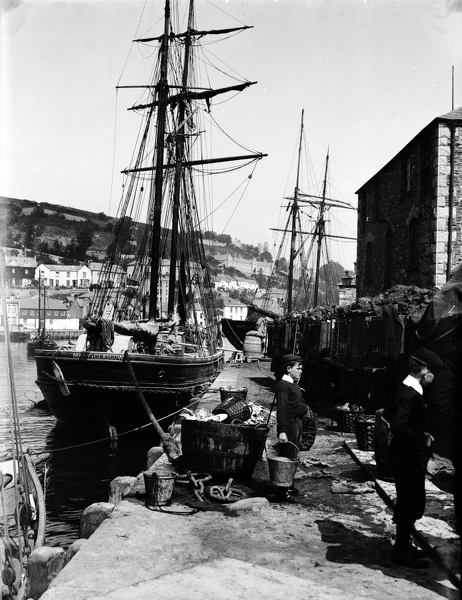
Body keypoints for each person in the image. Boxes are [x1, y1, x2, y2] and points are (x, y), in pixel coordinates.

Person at [385, 348, 443, 568]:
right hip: (408, 458)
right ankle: (400, 551)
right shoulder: (412, 395)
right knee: (410, 503)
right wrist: (421, 437)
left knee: (409, 501)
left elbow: (387, 415)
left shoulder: (402, 388)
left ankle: (404, 545)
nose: (434, 378)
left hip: (402, 456)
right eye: (433, 373)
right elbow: (399, 425)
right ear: (425, 370)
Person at [274, 354, 307, 503]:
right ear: (288, 369)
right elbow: (281, 410)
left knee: (294, 455)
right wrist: (282, 431)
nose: (301, 371)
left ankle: (290, 485)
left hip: (297, 423)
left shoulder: (293, 383)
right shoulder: (283, 386)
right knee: (287, 457)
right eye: (298, 368)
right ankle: (283, 491)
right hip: (290, 424)